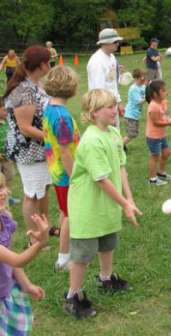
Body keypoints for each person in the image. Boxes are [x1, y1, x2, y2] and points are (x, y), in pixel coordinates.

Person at [64, 89, 141, 319]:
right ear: (94, 112)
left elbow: (120, 168)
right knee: (83, 254)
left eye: (115, 105)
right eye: (109, 107)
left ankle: (106, 279)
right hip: (88, 206)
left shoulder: (114, 133)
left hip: (108, 204)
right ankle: (73, 296)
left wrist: (129, 199)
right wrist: (124, 204)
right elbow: (101, 180)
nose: (115, 110)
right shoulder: (91, 140)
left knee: (108, 242)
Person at [3, 46, 54, 245]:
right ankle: (35, 239)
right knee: (32, 194)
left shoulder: (35, 84)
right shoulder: (24, 90)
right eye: (48, 62)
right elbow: (25, 128)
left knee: (42, 189)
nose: (50, 65)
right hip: (29, 152)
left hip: (40, 149)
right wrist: (53, 139)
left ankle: (44, 229)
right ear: (41, 65)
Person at [0, 175, 49, 335]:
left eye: (2, 187)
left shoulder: (3, 219)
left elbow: (11, 262)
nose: (3, 193)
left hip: (5, 290)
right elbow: (18, 260)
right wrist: (40, 243)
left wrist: (27, 285)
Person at [42, 65, 80, 271]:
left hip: (56, 172)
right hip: (66, 174)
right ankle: (64, 257)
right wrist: (74, 176)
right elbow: (65, 152)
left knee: (64, 211)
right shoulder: (62, 117)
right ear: (70, 87)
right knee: (69, 215)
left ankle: (64, 250)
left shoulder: (50, 109)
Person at [87, 28, 124, 128]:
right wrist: (106, 114)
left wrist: (119, 103)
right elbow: (98, 92)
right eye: (115, 42)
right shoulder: (97, 62)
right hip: (102, 109)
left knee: (115, 137)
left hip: (112, 106)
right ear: (105, 43)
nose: (118, 44)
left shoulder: (112, 57)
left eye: (118, 41)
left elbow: (113, 84)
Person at [145, 80, 171, 186]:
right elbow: (156, 122)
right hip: (153, 136)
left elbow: (164, 115)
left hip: (161, 135)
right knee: (155, 156)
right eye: (163, 91)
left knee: (166, 153)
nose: (166, 92)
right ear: (155, 94)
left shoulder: (162, 102)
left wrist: (170, 119)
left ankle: (161, 173)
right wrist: (169, 123)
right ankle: (152, 179)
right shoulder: (153, 106)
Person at [0, 98, 18, 207]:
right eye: (3, 110)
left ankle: (8, 198)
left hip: (7, 158)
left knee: (9, 176)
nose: (6, 112)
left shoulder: (8, 122)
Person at [123, 69, 147, 149]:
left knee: (134, 133)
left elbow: (147, 90)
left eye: (144, 78)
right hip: (130, 115)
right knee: (131, 134)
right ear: (136, 78)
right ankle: (119, 147)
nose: (144, 80)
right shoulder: (133, 89)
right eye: (142, 78)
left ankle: (122, 145)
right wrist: (148, 97)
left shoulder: (143, 86)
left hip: (135, 115)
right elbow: (139, 102)